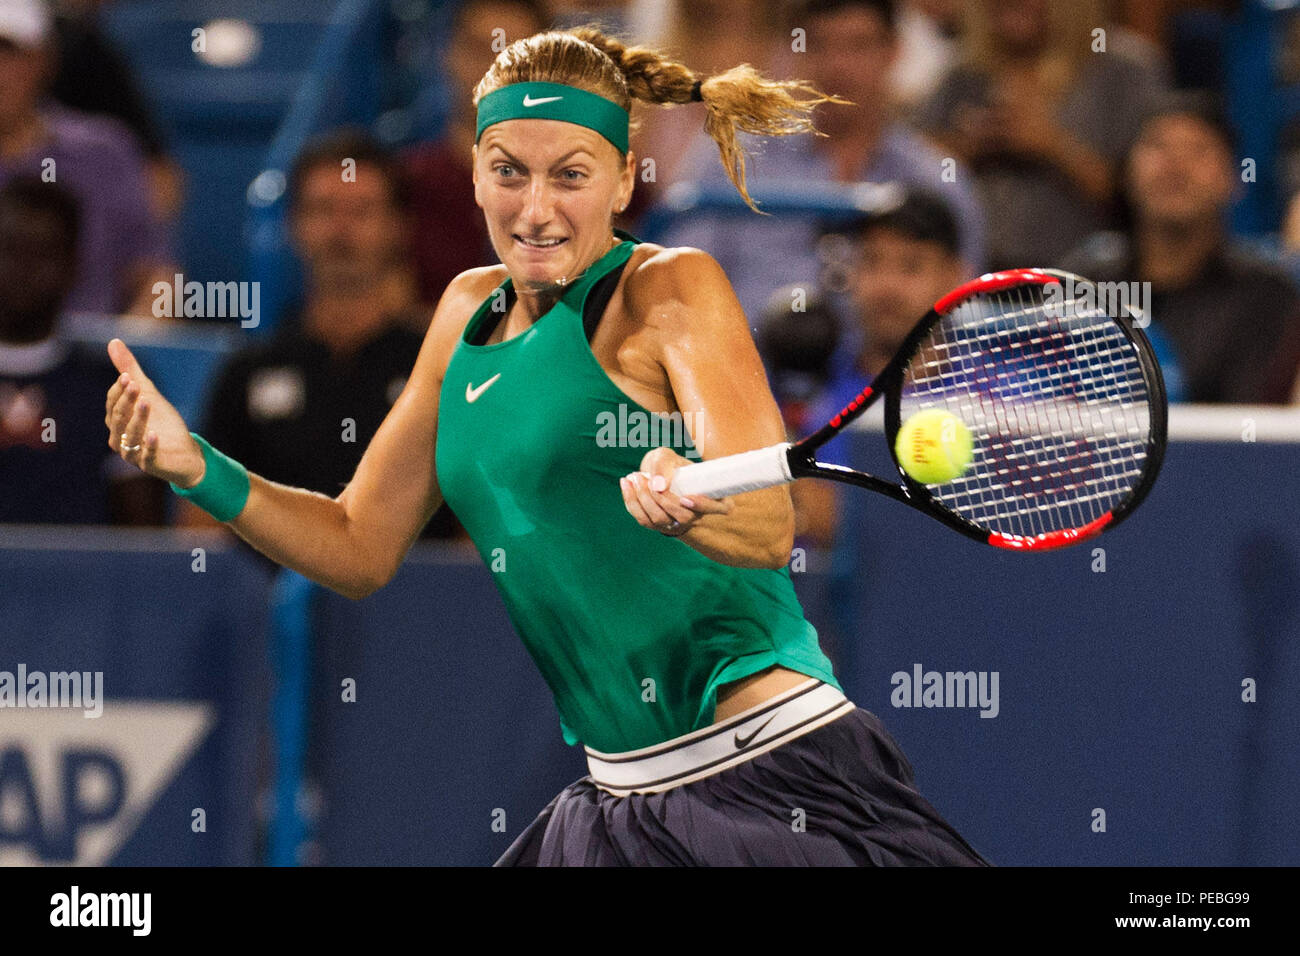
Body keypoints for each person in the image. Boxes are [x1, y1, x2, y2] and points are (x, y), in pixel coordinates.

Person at [103, 25, 990, 866]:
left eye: (570, 174)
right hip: (617, 799)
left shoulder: (672, 288)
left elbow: (765, 524)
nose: (535, 209)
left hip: (770, 775)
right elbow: (358, 544)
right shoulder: (461, 312)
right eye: (507, 172)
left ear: (620, 180)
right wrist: (199, 468)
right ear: (476, 177)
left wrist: (691, 506)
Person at [179, 130, 461, 540]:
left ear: (398, 227)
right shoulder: (245, 373)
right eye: (324, 210)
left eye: (362, 211)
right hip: (267, 598)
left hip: (415, 598)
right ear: (294, 225)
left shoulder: (441, 370)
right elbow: (199, 526)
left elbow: (478, 533)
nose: (341, 231)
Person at [660, 0, 986, 323]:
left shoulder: (937, 180)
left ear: (894, 52)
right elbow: (676, 292)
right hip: (743, 367)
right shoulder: (733, 158)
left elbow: (961, 322)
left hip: (888, 372)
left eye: (858, 46)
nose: (838, 65)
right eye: (818, 45)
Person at [1062, 93, 1299, 405]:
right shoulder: (1086, 281)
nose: (1175, 166)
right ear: (1127, 173)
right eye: (1158, 146)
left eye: (1198, 150)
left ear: (1234, 179)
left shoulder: (1267, 294)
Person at [917, 0, 1167, 270]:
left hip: (1092, 283)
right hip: (978, 280)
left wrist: (1052, 146)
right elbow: (915, 170)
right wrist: (967, 147)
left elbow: (1144, 191)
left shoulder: (1123, 69)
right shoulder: (963, 73)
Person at [0, 176, 162, 524]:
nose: (22, 271)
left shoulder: (116, 387)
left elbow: (144, 539)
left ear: (73, 267)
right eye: (9, 250)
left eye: (42, 253)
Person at [0, 0, 174, 316]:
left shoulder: (104, 152)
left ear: (43, 59)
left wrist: (120, 350)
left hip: (91, 355)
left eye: (7, 52)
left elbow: (157, 277)